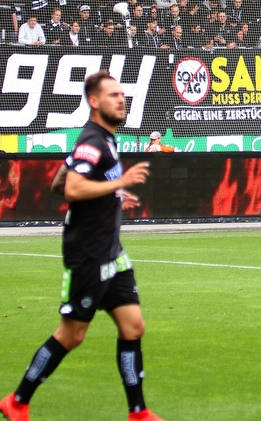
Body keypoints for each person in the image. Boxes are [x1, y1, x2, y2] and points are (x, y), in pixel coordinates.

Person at [0, 72, 166, 421]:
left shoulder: (104, 141)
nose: (121, 100)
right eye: (112, 95)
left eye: (123, 94)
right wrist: (120, 182)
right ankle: (17, 401)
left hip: (111, 253)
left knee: (133, 326)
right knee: (72, 335)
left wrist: (115, 192)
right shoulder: (92, 140)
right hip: (89, 254)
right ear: (94, 101)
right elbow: (73, 189)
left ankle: (138, 412)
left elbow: (61, 181)